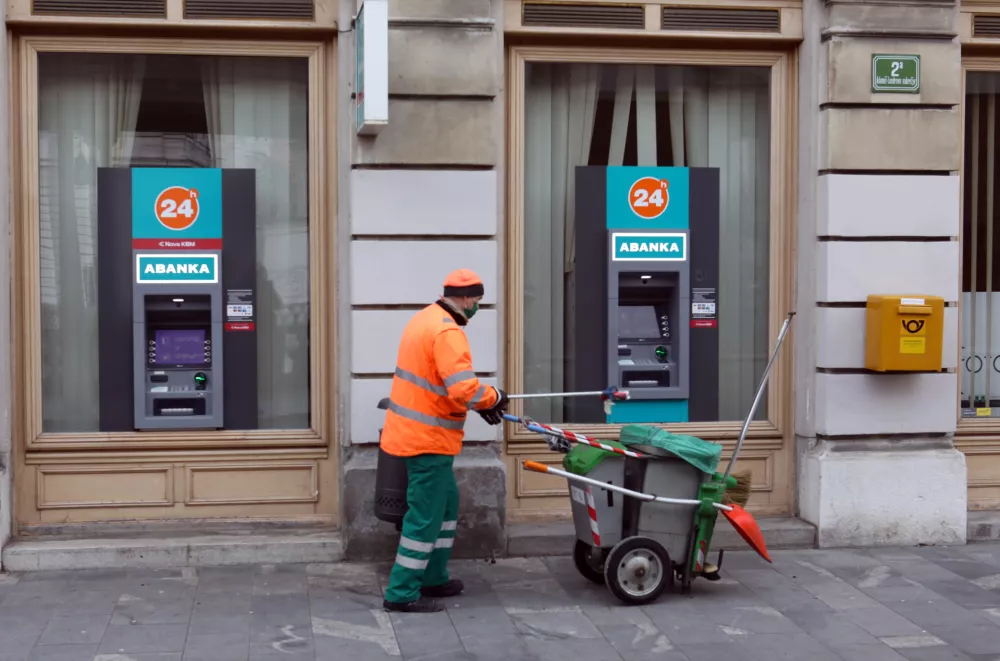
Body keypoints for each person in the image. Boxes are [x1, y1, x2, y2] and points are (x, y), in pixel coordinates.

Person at [380, 269, 509, 613]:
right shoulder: (448, 332)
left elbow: (439, 383)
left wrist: (479, 404)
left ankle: (433, 576)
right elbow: (463, 388)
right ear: (465, 298)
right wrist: (493, 397)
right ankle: (402, 592)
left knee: (446, 505)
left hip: (418, 434)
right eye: (478, 300)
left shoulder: (424, 319)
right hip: (427, 440)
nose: (478, 307)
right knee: (424, 517)